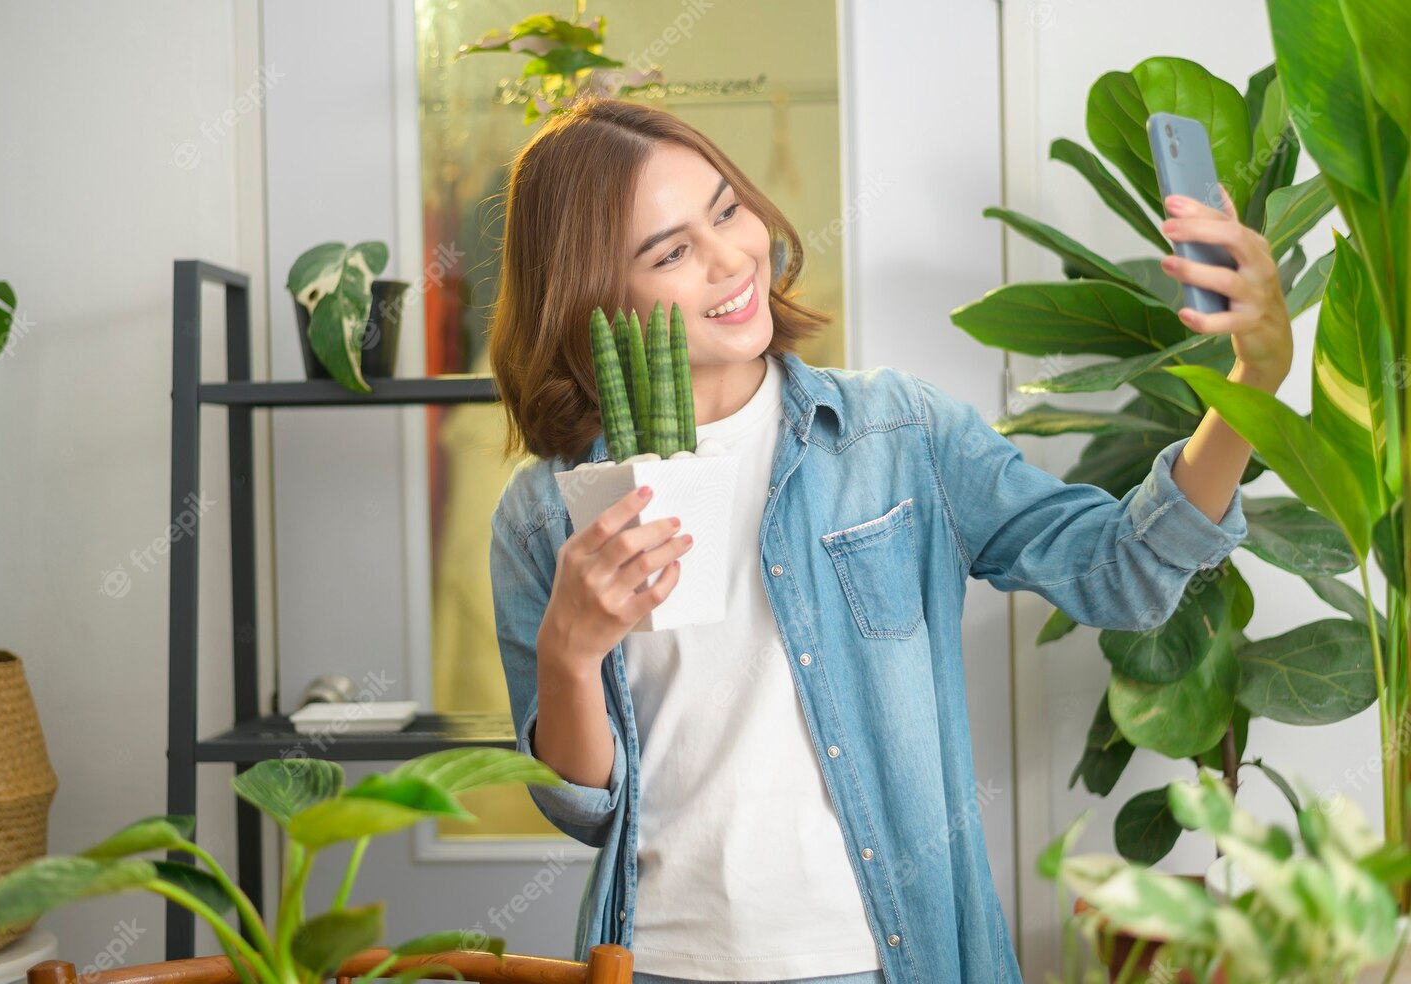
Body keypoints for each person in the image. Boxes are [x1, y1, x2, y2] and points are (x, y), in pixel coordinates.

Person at [486, 96, 1292, 984]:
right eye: (672, 252)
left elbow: (1123, 572)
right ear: (594, 292)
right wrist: (568, 654)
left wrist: (1257, 376)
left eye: (726, 210)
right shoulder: (546, 513)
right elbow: (587, 810)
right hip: (659, 962)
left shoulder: (898, 435)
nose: (729, 260)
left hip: (888, 960)